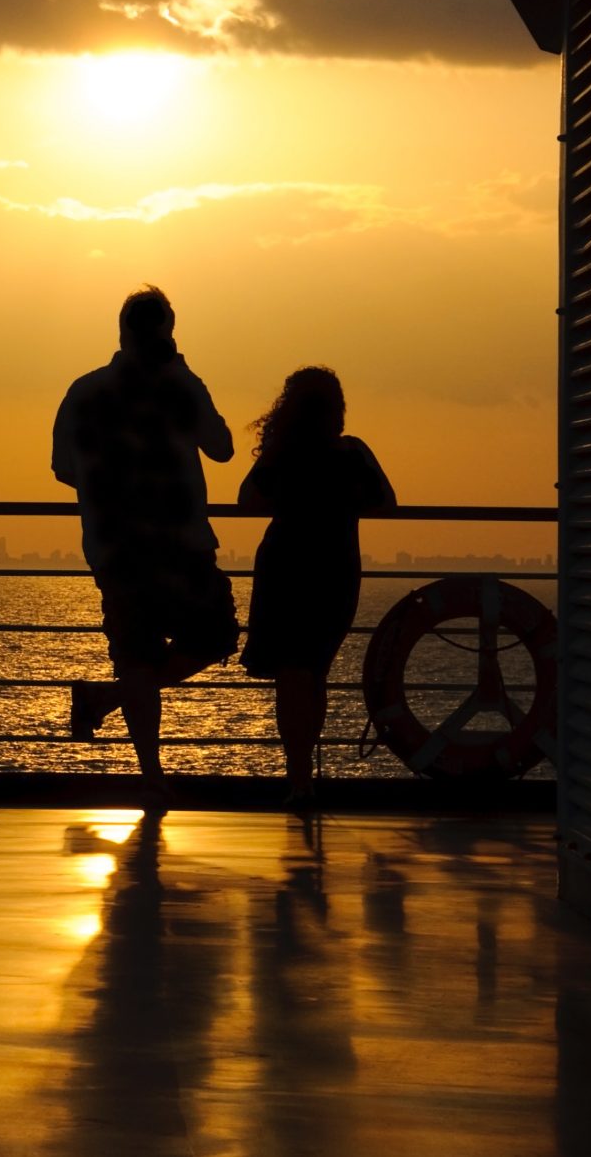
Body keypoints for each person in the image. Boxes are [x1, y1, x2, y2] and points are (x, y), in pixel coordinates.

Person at [52, 286, 238, 804]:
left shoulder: (83, 391)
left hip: (115, 548)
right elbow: (222, 449)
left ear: (121, 330)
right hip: (182, 543)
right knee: (216, 636)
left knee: (135, 657)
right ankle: (106, 702)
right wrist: (182, 373)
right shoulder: (180, 384)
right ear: (168, 332)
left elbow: (64, 468)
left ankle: (150, 773)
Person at [238, 366, 395, 810]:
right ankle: (305, 777)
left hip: (285, 566)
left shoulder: (281, 454)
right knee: (314, 671)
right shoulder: (351, 453)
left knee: (291, 674)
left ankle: (299, 777)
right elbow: (387, 503)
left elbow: (247, 501)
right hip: (335, 568)